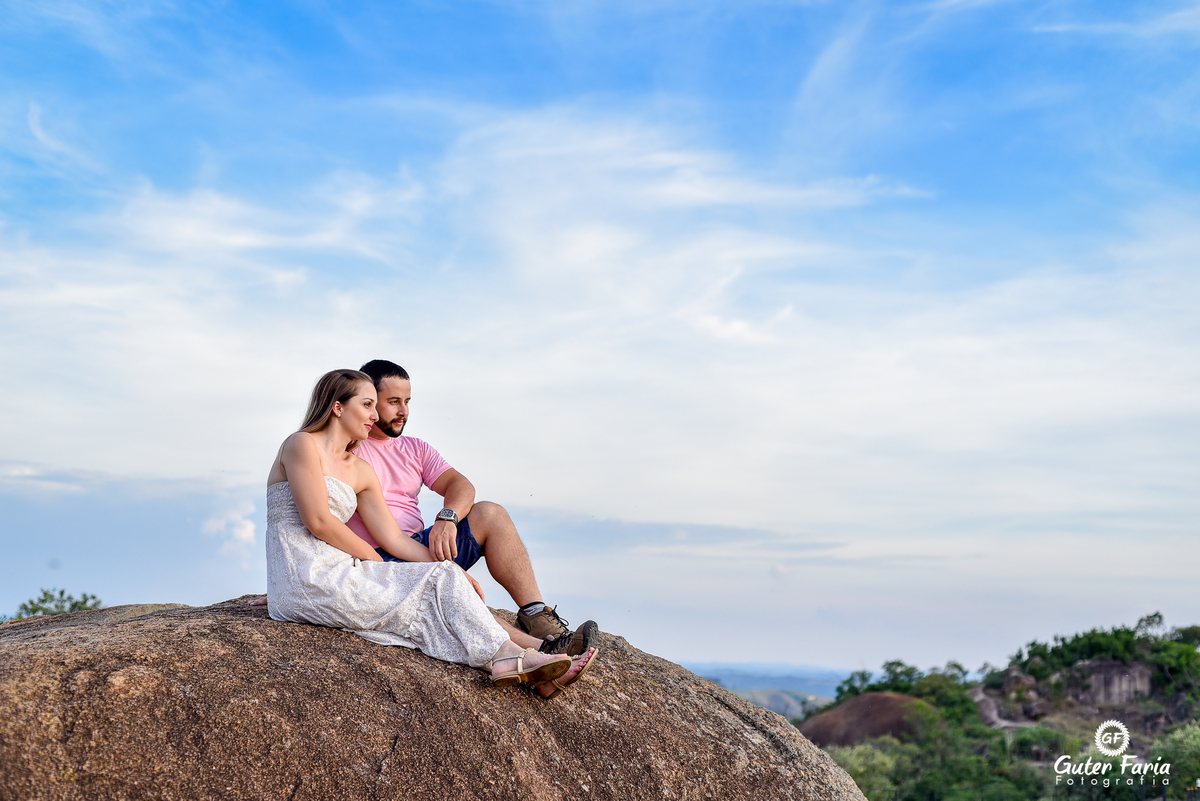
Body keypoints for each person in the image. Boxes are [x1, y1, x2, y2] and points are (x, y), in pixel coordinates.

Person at [264, 369, 597, 697]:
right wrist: (376, 567)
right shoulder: (302, 444)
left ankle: (533, 669)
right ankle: (523, 654)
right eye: (369, 404)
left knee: (444, 577)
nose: (375, 413)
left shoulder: (360, 468)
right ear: (338, 407)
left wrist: (448, 565)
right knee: (435, 587)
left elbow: (394, 538)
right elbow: (318, 521)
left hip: (348, 568)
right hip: (309, 574)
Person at [345, 359, 596, 657]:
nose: (404, 412)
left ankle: (536, 615)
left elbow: (461, 486)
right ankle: (545, 651)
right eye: (394, 402)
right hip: (379, 562)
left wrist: (447, 518)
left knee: (490, 513)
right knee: (458, 596)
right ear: (370, 402)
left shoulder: (415, 448)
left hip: (421, 547)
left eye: (408, 402)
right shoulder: (348, 448)